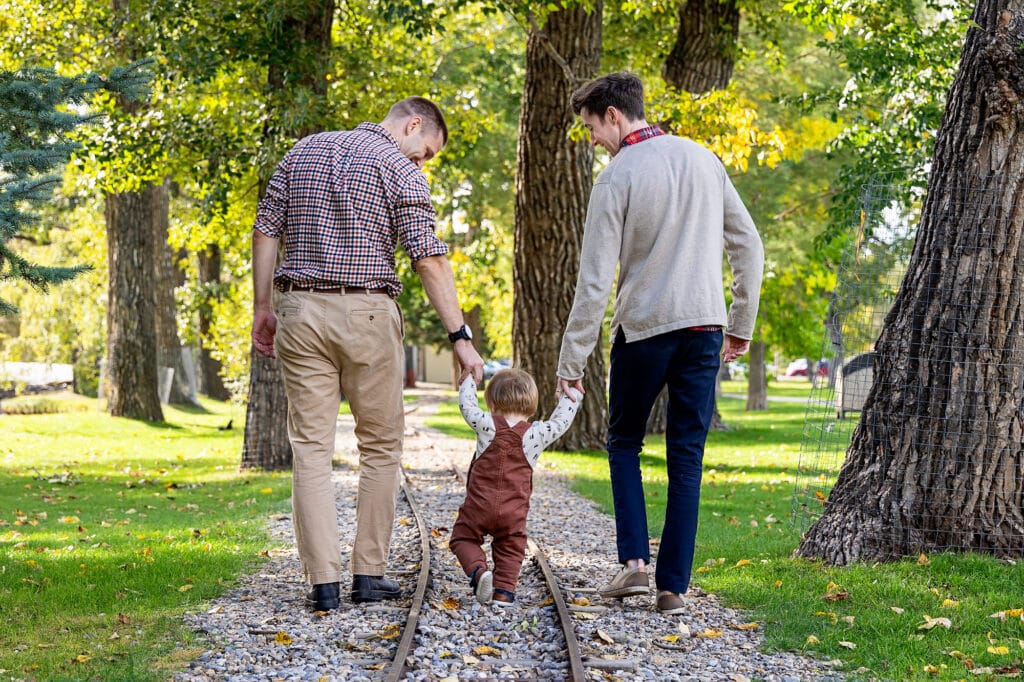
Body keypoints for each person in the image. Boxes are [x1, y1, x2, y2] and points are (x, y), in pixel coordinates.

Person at [251, 96, 484, 611]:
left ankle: (323, 583)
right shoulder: (399, 170)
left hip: (300, 311)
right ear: (413, 124)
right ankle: (368, 573)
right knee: (379, 446)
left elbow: (266, 230)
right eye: (425, 152)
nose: (421, 163)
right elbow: (428, 259)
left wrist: (263, 306)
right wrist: (459, 337)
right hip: (369, 315)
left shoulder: (302, 152)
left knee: (310, 447)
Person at [555, 72, 764, 616]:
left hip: (644, 332)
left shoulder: (616, 178)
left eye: (592, 128)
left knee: (623, 442)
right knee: (686, 459)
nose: (593, 139)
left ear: (614, 116)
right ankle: (672, 588)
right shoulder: (704, 159)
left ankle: (634, 567)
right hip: (703, 330)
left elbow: (595, 282)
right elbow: (749, 246)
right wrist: (740, 322)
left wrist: (571, 360)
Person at [450, 369, 582, 605]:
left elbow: (467, 406)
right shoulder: (537, 433)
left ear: (491, 402)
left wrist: (469, 379)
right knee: (511, 546)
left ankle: (480, 572)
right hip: (513, 511)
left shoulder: (485, 424)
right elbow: (561, 422)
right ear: (531, 404)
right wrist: (570, 394)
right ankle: (503, 593)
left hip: (479, 506)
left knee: (463, 538)